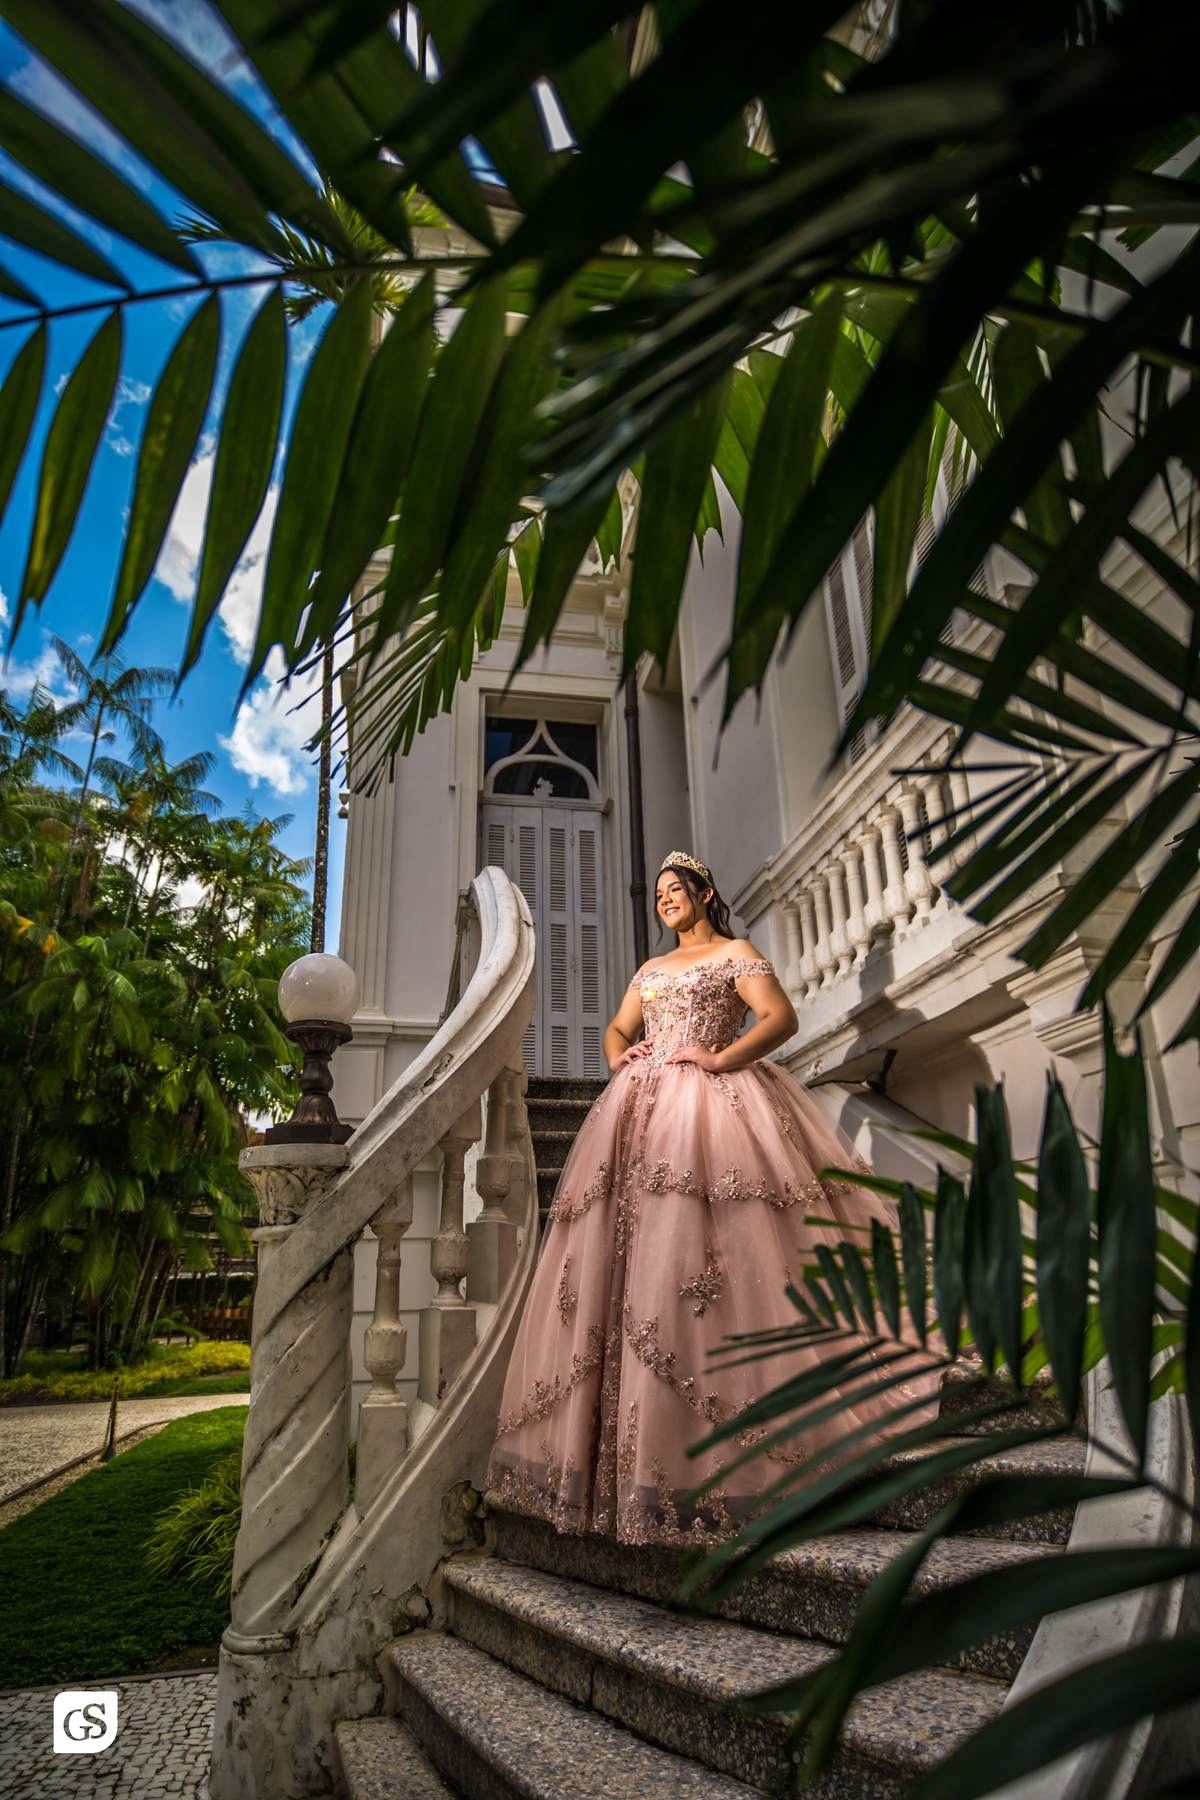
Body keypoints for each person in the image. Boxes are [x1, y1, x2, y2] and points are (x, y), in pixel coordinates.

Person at [487, 853, 938, 1545]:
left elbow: (779, 1017)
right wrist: (620, 1058)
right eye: (660, 893)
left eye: (677, 891)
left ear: (704, 893)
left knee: (712, 1254)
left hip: (712, 1105)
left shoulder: (735, 952)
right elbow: (616, 1031)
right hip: (637, 1110)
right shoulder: (649, 970)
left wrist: (721, 1058)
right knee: (630, 1262)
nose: (667, 900)